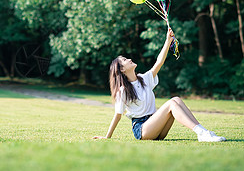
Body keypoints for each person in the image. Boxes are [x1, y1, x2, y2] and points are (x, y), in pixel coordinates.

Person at [93, 28, 226, 142]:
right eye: (125, 60)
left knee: (176, 99)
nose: (129, 59)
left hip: (157, 127)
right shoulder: (123, 91)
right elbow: (118, 115)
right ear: (122, 70)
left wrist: (168, 40)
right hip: (143, 130)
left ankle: (203, 131)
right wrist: (107, 137)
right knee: (171, 103)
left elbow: (159, 62)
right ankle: (202, 133)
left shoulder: (144, 79)